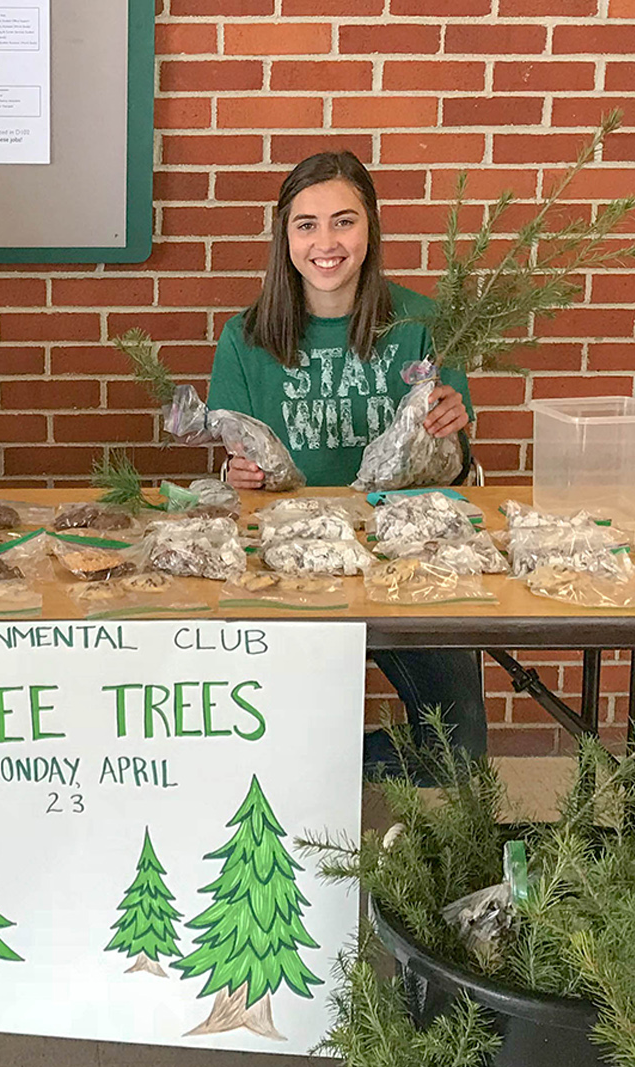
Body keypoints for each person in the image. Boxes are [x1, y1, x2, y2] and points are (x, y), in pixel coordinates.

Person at [207, 150, 487, 763]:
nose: (325, 242)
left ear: (371, 229)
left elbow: (458, 473)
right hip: (286, 559)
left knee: (459, 750)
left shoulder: (421, 324)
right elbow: (228, 474)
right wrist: (236, 472)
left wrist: (452, 432)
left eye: (344, 221)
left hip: (403, 554)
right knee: (252, 743)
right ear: (285, 237)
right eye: (306, 224)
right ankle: (308, 768)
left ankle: (328, 765)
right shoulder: (245, 337)